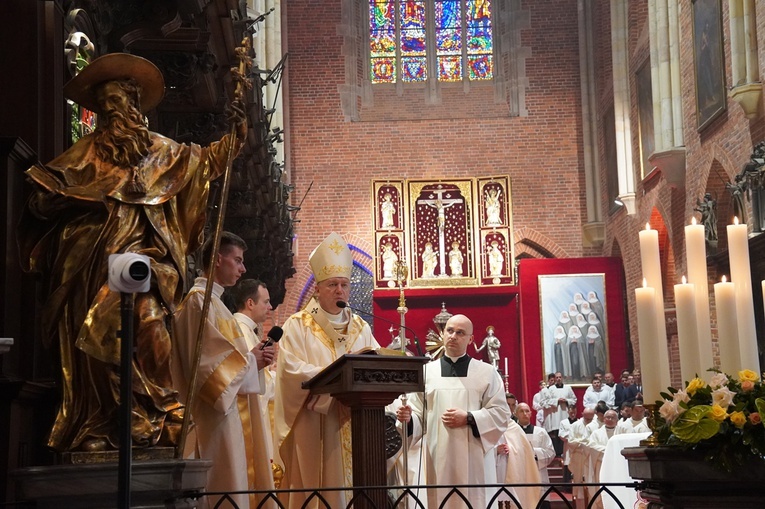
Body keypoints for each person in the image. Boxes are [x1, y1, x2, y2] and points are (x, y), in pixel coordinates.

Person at [19, 53, 247, 452]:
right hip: (91, 268)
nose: (111, 112)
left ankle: (158, 409)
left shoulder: (163, 152)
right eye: (104, 106)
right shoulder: (87, 152)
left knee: (148, 319)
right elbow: (45, 192)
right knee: (96, 336)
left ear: (134, 105)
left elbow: (205, 162)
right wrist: (67, 202)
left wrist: (237, 134)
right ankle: (102, 421)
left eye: (117, 103)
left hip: (149, 266)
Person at [273, 232, 380, 509]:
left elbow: (376, 363)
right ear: (317, 289)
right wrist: (336, 381)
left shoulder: (361, 327)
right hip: (316, 423)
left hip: (356, 421)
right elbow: (290, 371)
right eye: (332, 284)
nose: (339, 290)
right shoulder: (298, 325)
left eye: (344, 284)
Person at [172, 232, 275, 509]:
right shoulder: (199, 302)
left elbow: (230, 361)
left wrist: (255, 361)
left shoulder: (218, 305)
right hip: (212, 418)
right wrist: (252, 360)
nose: (243, 269)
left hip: (229, 414)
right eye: (238, 260)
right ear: (218, 259)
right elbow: (207, 368)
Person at [396, 314, 510, 508]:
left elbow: (501, 413)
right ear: (442, 333)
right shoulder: (426, 372)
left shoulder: (486, 372)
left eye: (460, 332)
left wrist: (469, 418)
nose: (453, 336)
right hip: (436, 455)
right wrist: (408, 419)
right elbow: (418, 414)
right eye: (449, 331)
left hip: (474, 457)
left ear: (470, 339)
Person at [230, 279, 278, 467]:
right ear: (250, 303)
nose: (270, 306)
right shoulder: (240, 330)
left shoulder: (247, 330)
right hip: (244, 416)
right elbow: (243, 375)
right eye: (266, 302)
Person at [515, 402, 556, 483]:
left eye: (527, 411)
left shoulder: (541, 432)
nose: (525, 414)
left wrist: (534, 451)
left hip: (538, 472)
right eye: (521, 411)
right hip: (518, 472)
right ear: (516, 414)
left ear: (530, 413)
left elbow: (551, 452)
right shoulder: (511, 432)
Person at [541, 372, 577, 458]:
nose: (558, 379)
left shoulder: (568, 388)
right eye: (557, 377)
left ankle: (567, 452)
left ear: (562, 378)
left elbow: (574, 399)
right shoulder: (551, 389)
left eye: (560, 377)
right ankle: (558, 452)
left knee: (566, 431)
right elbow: (546, 401)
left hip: (566, 412)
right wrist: (557, 400)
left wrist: (566, 401)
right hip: (555, 414)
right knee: (557, 433)